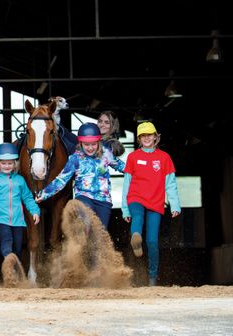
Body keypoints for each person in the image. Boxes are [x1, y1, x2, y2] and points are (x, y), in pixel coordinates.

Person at [121, 122, 181, 286]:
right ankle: (136, 240)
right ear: (139, 139)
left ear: (155, 137)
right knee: (137, 216)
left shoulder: (164, 158)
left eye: (149, 135)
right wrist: (125, 208)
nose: (146, 138)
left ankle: (152, 277)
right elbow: (127, 183)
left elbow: (170, 184)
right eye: (143, 136)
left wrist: (175, 205)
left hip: (156, 201)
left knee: (153, 241)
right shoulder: (133, 157)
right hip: (136, 197)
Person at [36, 123, 125, 229]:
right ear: (80, 143)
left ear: (98, 142)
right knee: (86, 221)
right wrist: (43, 194)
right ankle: (82, 238)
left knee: (100, 231)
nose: (90, 148)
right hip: (83, 196)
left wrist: (141, 172)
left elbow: (124, 167)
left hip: (104, 200)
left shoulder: (106, 154)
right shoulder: (75, 159)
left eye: (93, 144)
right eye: (86, 144)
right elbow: (61, 180)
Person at [0, 143, 40, 263]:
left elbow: (27, 197)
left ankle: (16, 272)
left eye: (10, 163)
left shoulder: (20, 180)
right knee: (7, 242)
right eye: (3, 163)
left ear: (15, 164)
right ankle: (9, 268)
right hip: (0, 218)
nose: (6, 166)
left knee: (18, 248)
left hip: (18, 220)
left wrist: (35, 211)